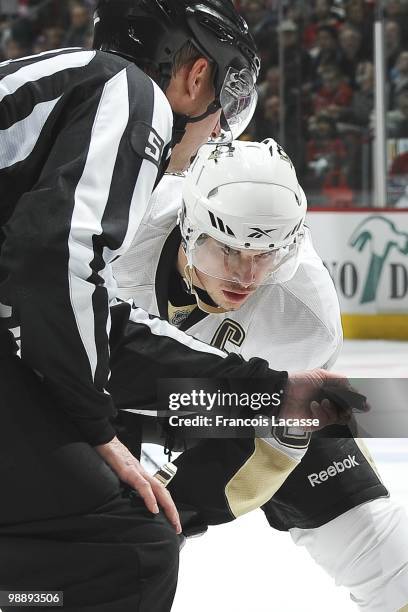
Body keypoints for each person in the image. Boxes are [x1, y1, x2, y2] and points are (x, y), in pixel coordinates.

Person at [0, 2, 356, 611]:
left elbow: (75, 312)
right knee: (131, 546)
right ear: (196, 78)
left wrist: (259, 385)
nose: (218, 135)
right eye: (223, 107)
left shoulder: (60, 87)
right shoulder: (127, 91)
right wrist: (96, 429)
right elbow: (49, 270)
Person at [112, 136, 408, 611]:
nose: (245, 276)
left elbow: (259, 452)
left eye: (266, 255)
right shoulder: (125, 223)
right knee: (104, 567)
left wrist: (189, 505)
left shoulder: (305, 314)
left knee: (389, 560)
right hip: (113, 405)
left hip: (253, 408)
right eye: (226, 251)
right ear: (189, 227)